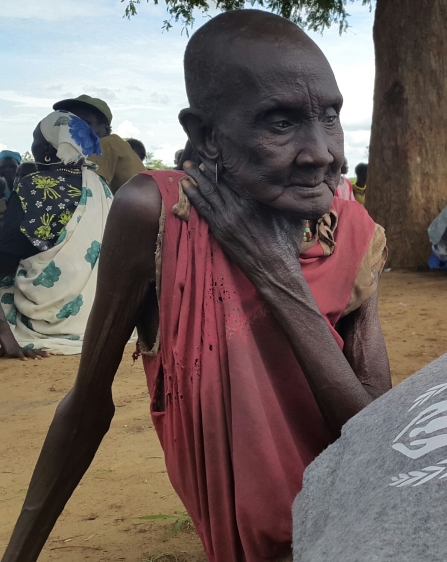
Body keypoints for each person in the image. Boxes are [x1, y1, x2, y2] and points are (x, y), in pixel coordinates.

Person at [3, 10, 390, 562]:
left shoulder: (349, 224)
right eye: (280, 124)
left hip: (369, 528)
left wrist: (277, 278)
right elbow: (88, 402)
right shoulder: (159, 215)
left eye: (329, 117)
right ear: (205, 135)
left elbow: (378, 435)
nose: (322, 152)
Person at [0, 111, 109, 360]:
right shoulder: (99, 185)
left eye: (35, 139)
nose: (33, 145)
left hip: (43, 317)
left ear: (48, 147)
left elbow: (9, 250)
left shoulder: (33, 186)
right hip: (95, 313)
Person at [51, 95, 145, 193]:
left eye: (84, 122)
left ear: (105, 130)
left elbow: (77, 193)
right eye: (68, 122)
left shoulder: (106, 145)